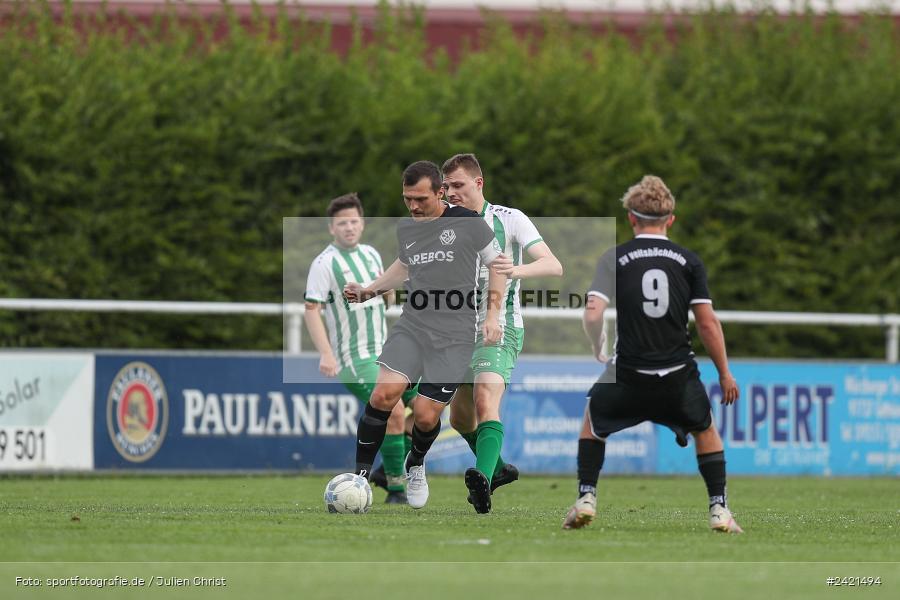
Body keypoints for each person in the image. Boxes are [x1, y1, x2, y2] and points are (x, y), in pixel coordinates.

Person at [563, 175, 743, 533]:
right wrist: (724, 373)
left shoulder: (615, 257)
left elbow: (593, 313)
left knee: (592, 423)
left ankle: (586, 497)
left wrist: (597, 344)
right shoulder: (688, 261)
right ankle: (719, 510)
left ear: (631, 218)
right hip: (677, 373)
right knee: (706, 430)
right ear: (670, 220)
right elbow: (707, 324)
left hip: (629, 371)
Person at [344, 160, 507, 510]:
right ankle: (357, 479)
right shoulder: (407, 228)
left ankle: (415, 463)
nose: (414, 206)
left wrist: (492, 314)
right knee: (383, 395)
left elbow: (498, 266)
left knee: (424, 415)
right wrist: (370, 290)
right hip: (413, 327)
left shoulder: (469, 223)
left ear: (440, 192)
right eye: (407, 199)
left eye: (421, 199)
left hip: (455, 336)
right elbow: (404, 266)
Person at [441, 153, 563, 513]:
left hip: (500, 326)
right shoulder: (442, 224)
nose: (451, 193)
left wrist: (516, 272)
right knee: (459, 418)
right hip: (456, 332)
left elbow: (553, 265)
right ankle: (497, 469)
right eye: (446, 187)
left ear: (479, 183)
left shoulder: (509, 219)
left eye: (458, 185)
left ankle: (481, 478)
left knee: (484, 402)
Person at [304, 193, 417, 504]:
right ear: (331, 228)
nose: (349, 227)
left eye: (354, 221)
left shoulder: (369, 254)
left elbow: (385, 291)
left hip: (389, 351)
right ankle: (396, 489)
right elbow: (311, 309)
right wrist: (326, 353)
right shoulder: (325, 263)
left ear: (363, 224)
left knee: (427, 406)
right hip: (355, 358)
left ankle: (384, 471)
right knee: (393, 409)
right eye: (342, 223)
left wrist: (388, 293)